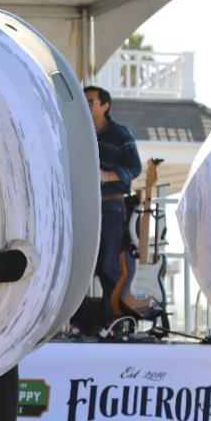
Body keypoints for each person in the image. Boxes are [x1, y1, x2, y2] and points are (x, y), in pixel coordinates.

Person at [85, 86, 142, 321]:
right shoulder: (80, 132)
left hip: (110, 207)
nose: (86, 106)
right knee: (86, 265)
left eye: (90, 102)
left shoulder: (120, 133)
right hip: (84, 209)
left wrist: (107, 176)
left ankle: (114, 322)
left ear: (105, 105)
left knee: (109, 265)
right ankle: (89, 322)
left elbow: (135, 167)